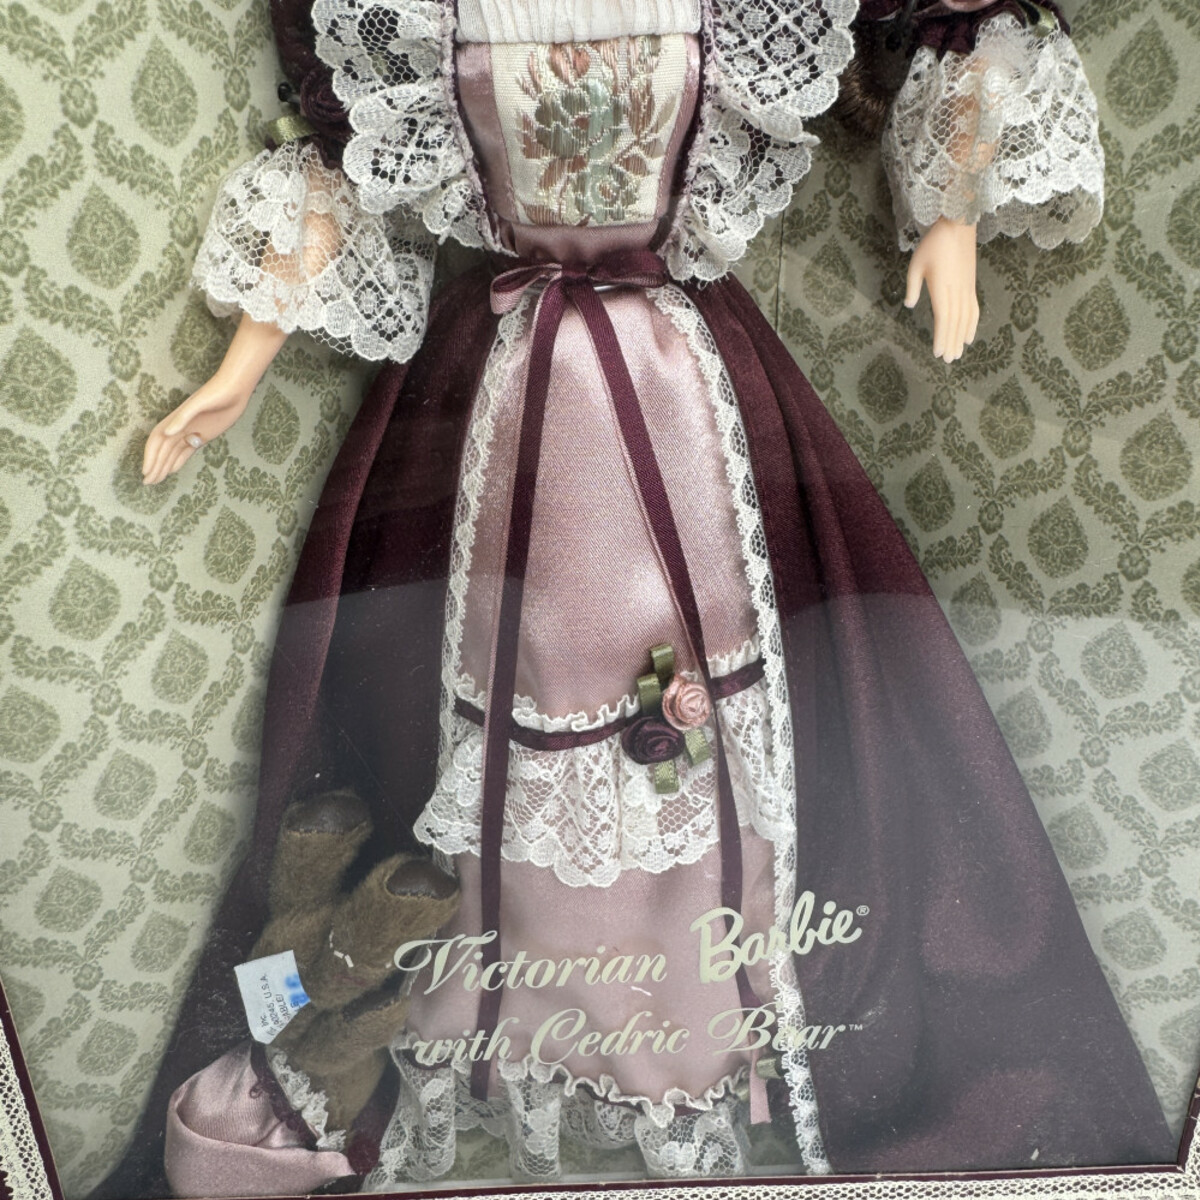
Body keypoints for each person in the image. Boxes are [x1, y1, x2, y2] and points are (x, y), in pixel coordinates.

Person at [100, 1, 1174, 1194]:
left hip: (681, 390)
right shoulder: (420, 16)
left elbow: (952, 22)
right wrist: (237, 373)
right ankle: (499, 1034)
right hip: (501, 396)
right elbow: (337, 171)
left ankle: (696, 1036)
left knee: (681, 726)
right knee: (495, 716)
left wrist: (952, 217)